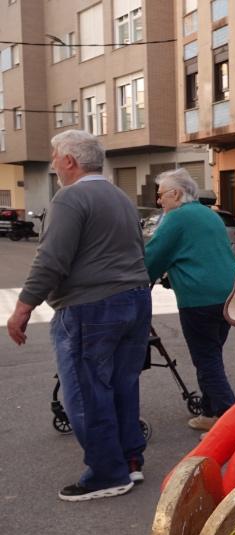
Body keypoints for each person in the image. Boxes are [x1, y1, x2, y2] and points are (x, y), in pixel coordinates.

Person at [6, 130, 151, 501]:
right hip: (134, 299)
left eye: (55, 156)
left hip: (91, 305)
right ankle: (130, 462)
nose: (53, 163)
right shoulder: (119, 197)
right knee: (122, 385)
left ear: (69, 160)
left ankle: (106, 474)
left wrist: (23, 307)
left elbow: (51, 260)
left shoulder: (70, 198)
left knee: (86, 392)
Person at [144, 169, 235, 431]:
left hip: (200, 299)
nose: (159, 200)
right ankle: (209, 412)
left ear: (176, 193)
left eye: (161, 194)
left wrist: (135, 280)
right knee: (211, 354)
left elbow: (152, 258)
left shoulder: (177, 218)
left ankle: (230, 419)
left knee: (206, 357)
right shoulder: (210, 215)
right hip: (229, 296)